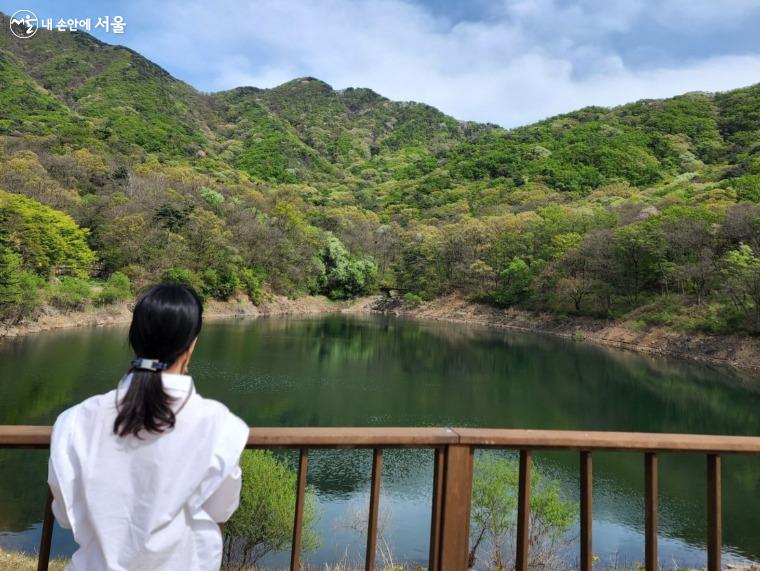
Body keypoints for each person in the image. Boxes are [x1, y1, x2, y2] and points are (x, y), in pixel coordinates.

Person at [48, 283, 249, 570]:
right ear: (191, 346)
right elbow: (222, 510)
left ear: (134, 339)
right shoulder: (220, 426)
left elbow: (66, 516)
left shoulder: (74, 421)